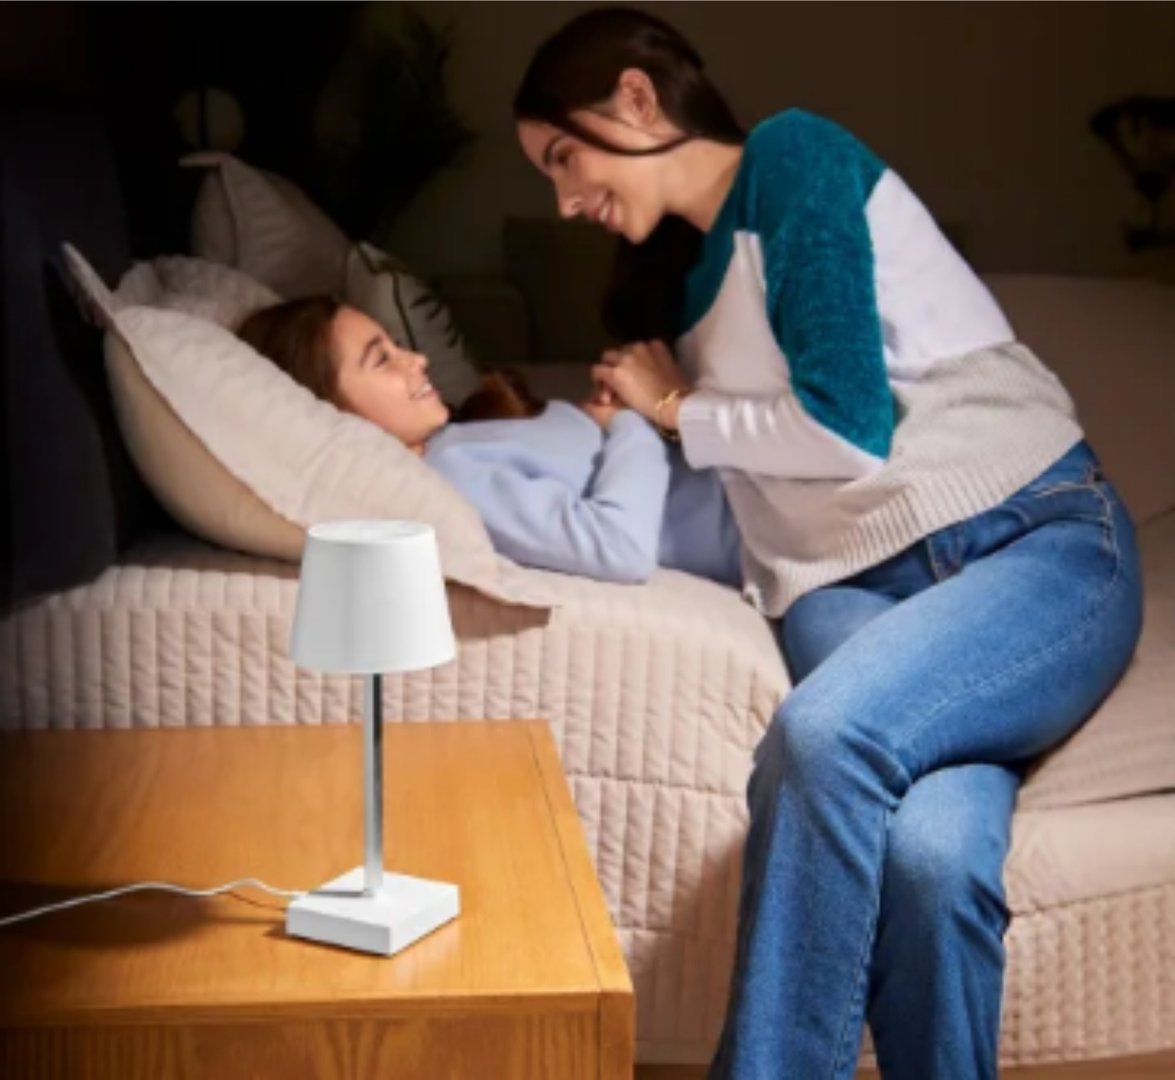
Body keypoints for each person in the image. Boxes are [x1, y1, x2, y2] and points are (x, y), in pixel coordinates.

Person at [513, 8, 1143, 1080]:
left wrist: (678, 412)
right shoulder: (682, 282)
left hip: (1027, 537)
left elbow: (847, 427)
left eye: (562, 158)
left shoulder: (791, 156)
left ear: (633, 97)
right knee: (936, 861)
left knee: (822, 737)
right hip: (847, 592)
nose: (564, 200)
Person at [236, 296, 741, 588]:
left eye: (396, 344)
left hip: (744, 476)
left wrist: (598, 420)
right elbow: (618, 547)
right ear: (330, 409)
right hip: (753, 519)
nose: (417, 360)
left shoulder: (456, 443)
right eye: (381, 359)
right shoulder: (448, 475)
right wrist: (629, 422)